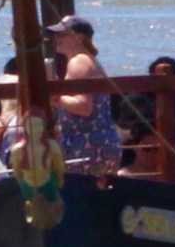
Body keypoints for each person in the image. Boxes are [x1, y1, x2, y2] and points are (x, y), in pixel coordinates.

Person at [47, 14, 120, 179]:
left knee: (78, 190)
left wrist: (57, 97)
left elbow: (84, 107)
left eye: (62, 34)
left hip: (85, 144)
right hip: (102, 141)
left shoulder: (78, 62)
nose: (57, 39)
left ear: (79, 37)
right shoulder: (91, 61)